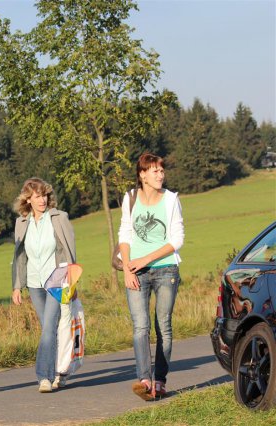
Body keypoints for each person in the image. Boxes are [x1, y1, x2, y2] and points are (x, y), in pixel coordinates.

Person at [117, 153, 184, 400]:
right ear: (142, 174)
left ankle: (161, 380)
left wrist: (145, 259)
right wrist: (126, 268)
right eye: (155, 171)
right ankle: (145, 380)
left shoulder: (171, 200)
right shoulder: (130, 198)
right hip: (135, 271)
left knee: (163, 326)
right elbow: (124, 234)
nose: (160, 175)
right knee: (140, 326)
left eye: (162, 171)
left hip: (166, 270)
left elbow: (177, 240)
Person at [11, 177, 76, 393]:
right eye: (38, 196)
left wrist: (71, 281)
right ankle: (60, 372)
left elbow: (69, 250)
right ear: (28, 199)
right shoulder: (22, 223)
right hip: (33, 282)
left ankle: (44, 377)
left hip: (56, 279)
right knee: (49, 329)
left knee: (49, 327)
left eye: (45, 195)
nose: (42, 200)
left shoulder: (59, 218)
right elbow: (19, 256)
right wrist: (17, 286)